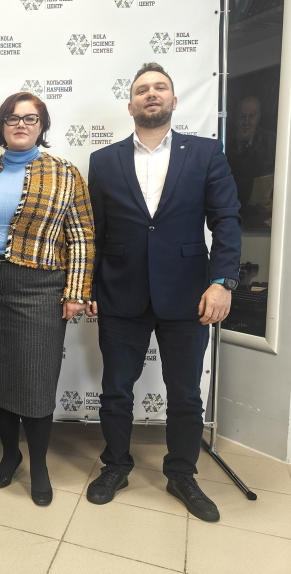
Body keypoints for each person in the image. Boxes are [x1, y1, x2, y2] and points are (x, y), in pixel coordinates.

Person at [85, 62, 241, 522]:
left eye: (160, 88)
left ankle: (182, 474)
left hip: (189, 294)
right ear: (130, 104)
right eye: (142, 90)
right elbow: (95, 231)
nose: (151, 94)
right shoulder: (104, 160)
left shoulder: (206, 152)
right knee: (116, 391)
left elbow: (226, 220)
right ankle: (116, 466)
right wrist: (89, 285)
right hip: (120, 293)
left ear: (173, 100)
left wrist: (222, 281)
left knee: (186, 395)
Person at [0, 92, 94, 506]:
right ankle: (10, 455)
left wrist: (76, 292)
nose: (21, 124)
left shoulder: (64, 173)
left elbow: (82, 235)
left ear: (42, 126)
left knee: (36, 381)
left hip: (41, 288)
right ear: (1, 126)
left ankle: (39, 466)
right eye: (12, 118)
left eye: (30, 118)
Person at [226, 95, 276, 229]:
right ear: (235, 118)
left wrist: (277, 201)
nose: (246, 122)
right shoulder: (224, 142)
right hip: (231, 214)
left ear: (258, 117)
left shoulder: (274, 142)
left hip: (261, 218)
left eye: (251, 116)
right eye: (242, 116)